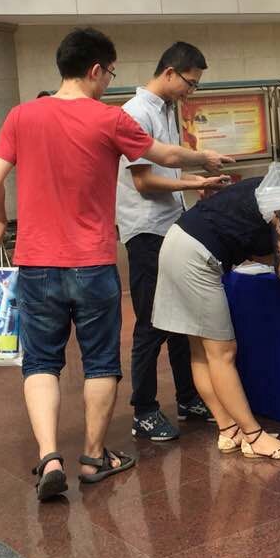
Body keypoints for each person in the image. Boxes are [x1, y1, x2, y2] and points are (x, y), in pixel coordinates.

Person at [0, 27, 231, 501]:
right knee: (98, 363)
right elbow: (164, 155)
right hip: (92, 263)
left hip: (36, 263)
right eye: (110, 73)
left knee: (40, 362)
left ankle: (50, 456)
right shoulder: (109, 118)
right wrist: (204, 158)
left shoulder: (21, 115)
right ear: (96, 69)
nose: (108, 81)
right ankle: (94, 457)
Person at [154, 176, 280, 460]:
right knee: (222, 353)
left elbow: (251, 243)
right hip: (196, 257)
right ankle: (254, 437)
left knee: (202, 351)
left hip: (180, 244)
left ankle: (229, 430)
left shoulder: (277, 191)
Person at [118, 42, 228, 443]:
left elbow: (171, 166)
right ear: (169, 72)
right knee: (151, 322)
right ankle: (144, 410)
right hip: (147, 230)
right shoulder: (135, 113)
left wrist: (197, 183)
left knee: (182, 319)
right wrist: (195, 176)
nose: (190, 91)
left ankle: (188, 397)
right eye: (190, 83)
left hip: (171, 228)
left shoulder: (166, 110)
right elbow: (145, 181)